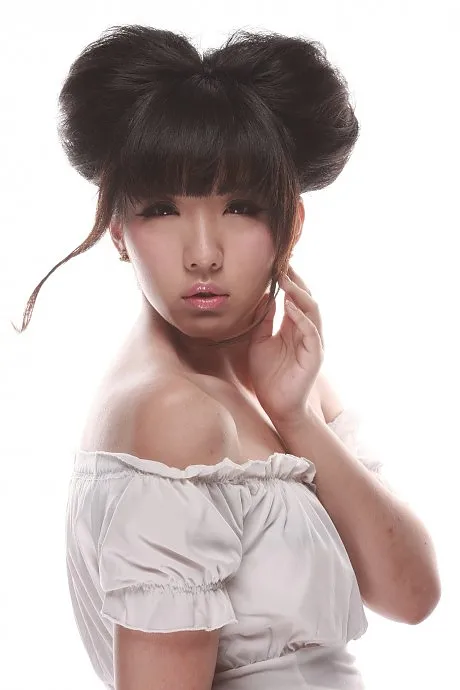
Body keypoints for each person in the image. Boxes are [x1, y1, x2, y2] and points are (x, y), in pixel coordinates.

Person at [14, 25, 440, 690]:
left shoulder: (287, 381)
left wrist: (297, 417)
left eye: (240, 207)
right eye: (163, 209)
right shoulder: (172, 413)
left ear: (290, 224)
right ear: (119, 229)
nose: (203, 254)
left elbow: (411, 596)